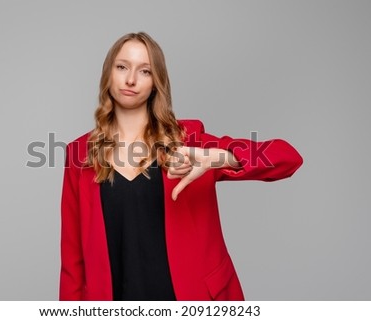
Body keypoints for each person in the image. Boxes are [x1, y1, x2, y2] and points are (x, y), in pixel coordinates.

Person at [59, 32, 303, 301]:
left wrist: (218, 158)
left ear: (156, 83)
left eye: (145, 71)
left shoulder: (189, 141)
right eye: (122, 67)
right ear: (108, 73)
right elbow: (73, 264)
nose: (130, 79)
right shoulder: (78, 155)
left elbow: (287, 158)